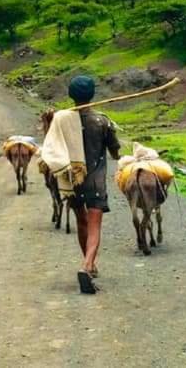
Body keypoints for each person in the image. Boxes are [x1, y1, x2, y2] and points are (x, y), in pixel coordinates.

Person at [68, 75, 120, 294]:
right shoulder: (102, 121)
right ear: (92, 94)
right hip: (95, 181)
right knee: (94, 224)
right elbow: (115, 152)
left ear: (71, 95)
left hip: (72, 180)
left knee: (81, 220)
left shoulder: (62, 120)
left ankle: (88, 263)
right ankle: (88, 265)